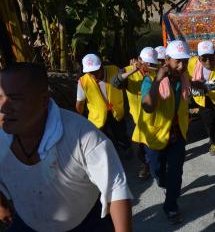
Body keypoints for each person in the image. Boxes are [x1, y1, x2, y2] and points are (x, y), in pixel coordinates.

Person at [0, 63, 132, 231]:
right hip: (28, 222)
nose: (3, 107)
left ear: (43, 99)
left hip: (85, 223)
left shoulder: (83, 136)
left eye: (15, 98)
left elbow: (116, 190)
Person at [141, 40, 192, 224]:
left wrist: (206, 86)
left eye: (185, 61)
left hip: (177, 134)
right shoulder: (150, 80)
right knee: (157, 171)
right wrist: (158, 79)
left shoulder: (184, 77)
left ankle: (171, 206)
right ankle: (164, 182)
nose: (182, 65)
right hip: (156, 136)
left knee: (175, 173)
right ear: (167, 60)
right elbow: (148, 107)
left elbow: (194, 84)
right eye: (178, 61)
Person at [111, 47, 160, 179]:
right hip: (137, 117)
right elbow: (115, 82)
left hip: (155, 115)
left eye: (152, 64)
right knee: (140, 146)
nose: (149, 66)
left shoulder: (157, 72)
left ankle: (156, 164)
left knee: (155, 143)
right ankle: (145, 165)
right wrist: (134, 70)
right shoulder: (128, 71)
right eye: (146, 63)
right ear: (139, 60)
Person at [76, 54, 130, 152]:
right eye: (90, 72)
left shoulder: (115, 70)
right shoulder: (83, 81)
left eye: (96, 71)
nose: (93, 75)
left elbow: (126, 86)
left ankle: (125, 151)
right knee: (102, 143)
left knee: (121, 135)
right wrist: (82, 119)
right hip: (98, 118)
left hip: (116, 112)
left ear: (101, 66)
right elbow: (79, 104)